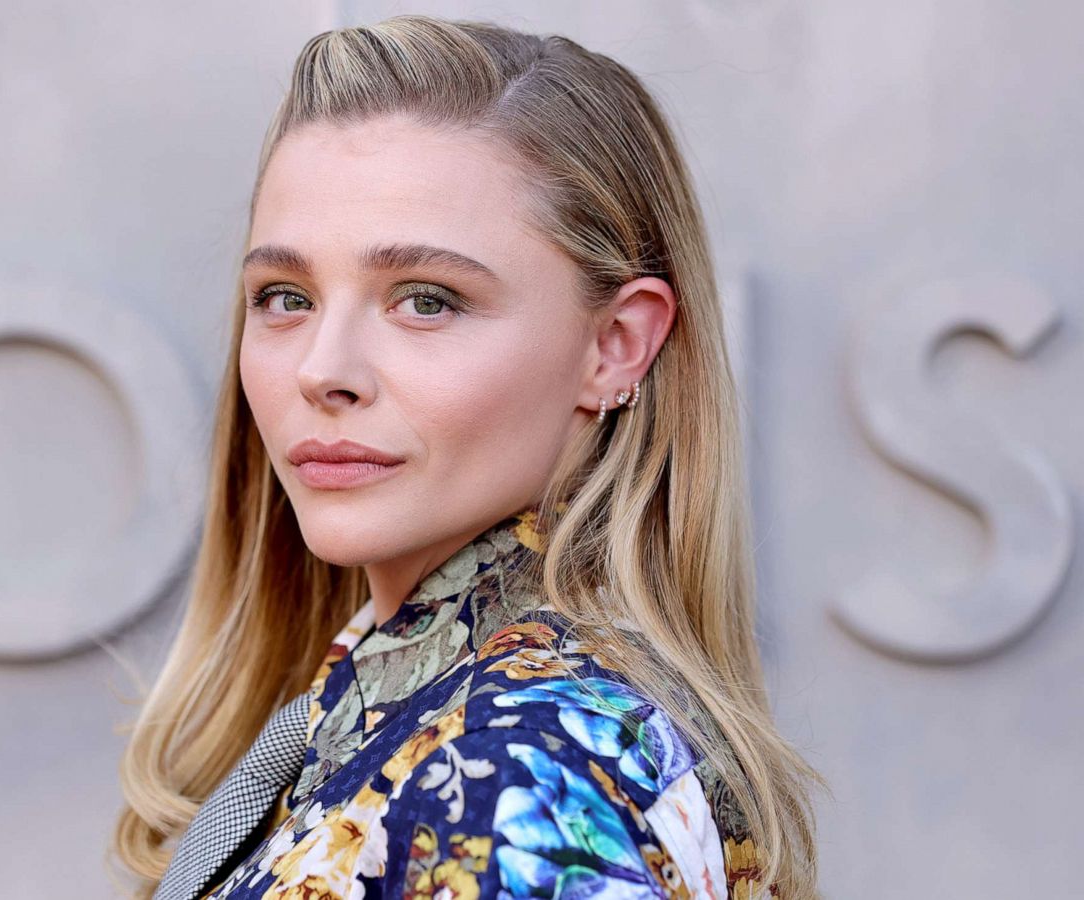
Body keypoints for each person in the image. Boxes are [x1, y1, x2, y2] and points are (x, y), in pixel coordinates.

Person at [112, 14, 823, 900]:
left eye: (427, 301)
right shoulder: (417, 722)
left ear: (615, 345)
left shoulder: (509, 777)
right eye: (284, 296)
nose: (322, 369)